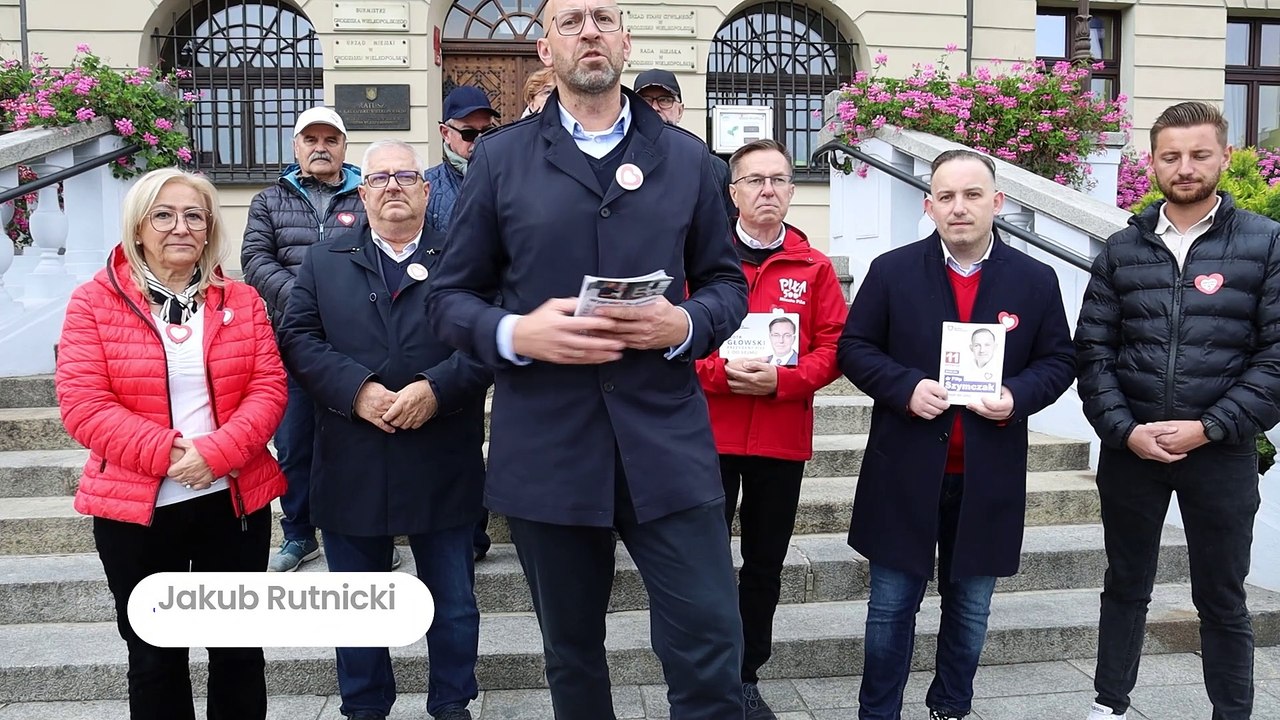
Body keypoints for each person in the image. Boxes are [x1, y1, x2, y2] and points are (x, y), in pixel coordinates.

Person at [425, 0, 750, 716]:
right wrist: (517, 333)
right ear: (546, 49)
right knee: (571, 658)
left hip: (666, 444)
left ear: (627, 40)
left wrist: (685, 323)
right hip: (548, 444)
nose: (589, 32)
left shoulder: (689, 159)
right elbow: (448, 299)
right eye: (570, 21)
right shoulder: (502, 158)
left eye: (603, 16)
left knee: (709, 645)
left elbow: (727, 282)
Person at [838, 149, 1075, 720]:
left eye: (972, 195)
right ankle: (879, 714)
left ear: (997, 202)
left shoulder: (1035, 280)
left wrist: (1018, 396)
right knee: (890, 611)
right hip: (904, 471)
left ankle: (950, 708)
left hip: (986, 475)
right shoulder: (893, 271)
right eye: (946, 196)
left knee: (970, 612)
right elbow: (854, 348)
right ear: (929, 206)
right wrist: (904, 387)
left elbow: (1060, 359)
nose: (959, 207)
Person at [54, 168, 287, 720]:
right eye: (163, 214)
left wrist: (217, 454)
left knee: (237, 652)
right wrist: (171, 454)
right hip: (137, 511)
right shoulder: (93, 303)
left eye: (194, 215)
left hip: (231, 503)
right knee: (155, 657)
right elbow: (84, 405)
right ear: (138, 228)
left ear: (209, 229)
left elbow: (268, 387)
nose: (179, 226)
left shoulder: (244, 301)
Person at [1076, 101, 1280, 720]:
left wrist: (1209, 427)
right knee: (1125, 586)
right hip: (1132, 452)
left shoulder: (1266, 244)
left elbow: (1274, 360)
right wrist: (1125, 431)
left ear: (1223, 157)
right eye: (1171, 156)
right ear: (1153, 163)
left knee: (1221, 597)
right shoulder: (1120, 250)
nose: (1185, 167)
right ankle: (1109, 704)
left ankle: (1233, 713)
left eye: (1198, 154)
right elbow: (1093, 352)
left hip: (1220, 453)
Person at [279, 139, 490, 720]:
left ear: (426, 188)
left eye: (404, 176)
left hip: (441, 452)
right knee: (357, 604)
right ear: (361, 191)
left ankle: (452, 703)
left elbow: (488, 340)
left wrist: (437, 388)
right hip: (353, 454)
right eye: (378, 179)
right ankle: (364, 706)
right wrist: (356, 390)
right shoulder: (325, 259)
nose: (392, 186)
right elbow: (298, 338)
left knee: (452, 602)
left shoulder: (466, 259)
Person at [695, 138, 848, 719]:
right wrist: (720, 374)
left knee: (764, 562)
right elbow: (678, 337)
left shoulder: (815, 267)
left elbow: (836, 346)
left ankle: (744, 675)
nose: (767, 190)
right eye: (754, 180)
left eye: (779, 179)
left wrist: (784, 383)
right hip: (711, 435)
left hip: (781, 439)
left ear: (791, 190)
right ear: (732, 191)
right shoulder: (704, 260)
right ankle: (701, 668)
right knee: (703, 562)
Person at [241, 105, 372, 573]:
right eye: (311, 140)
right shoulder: (268, 202)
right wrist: (309, 297)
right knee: (294, 444)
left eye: (330, 140)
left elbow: (379, 256)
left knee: (358, 443)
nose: (321, 148)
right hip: (290, 344)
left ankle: (367, 531)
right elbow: (255, 261)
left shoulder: (365, 195)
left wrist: (341, 303)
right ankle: (299, 533)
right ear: (296, 147)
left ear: (343, 147)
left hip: (354, 344)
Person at [633, 68, 735, 220]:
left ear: (680, 111)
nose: (655, 107)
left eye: (665, 100)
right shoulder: (618, 159)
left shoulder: (713, 168)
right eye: (645, 101)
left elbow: (724, 228)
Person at [426, 85, 500, 237]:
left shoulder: (510, 177)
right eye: (469, 133)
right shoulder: (427, 185)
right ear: (445, 133)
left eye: (487, 131)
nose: (479, 140)